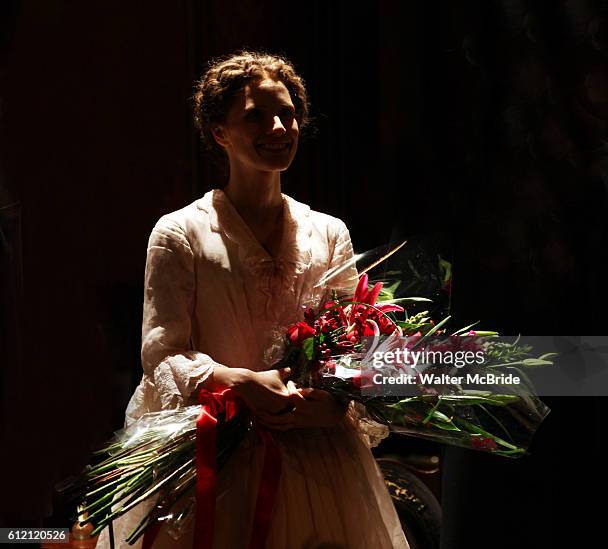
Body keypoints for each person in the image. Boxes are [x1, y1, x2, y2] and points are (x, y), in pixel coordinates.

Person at [96, 50, 409, 549]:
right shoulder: (180, 234)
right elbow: (161, 355)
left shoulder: (328, 232)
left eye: (288, 114)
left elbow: (355, 345)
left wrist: (334, 401)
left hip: (319, 454)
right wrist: (241, 382)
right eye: (256, 116)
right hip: (219, 450)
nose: (280, 127)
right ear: (220, 132)